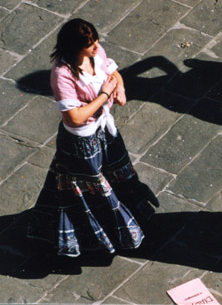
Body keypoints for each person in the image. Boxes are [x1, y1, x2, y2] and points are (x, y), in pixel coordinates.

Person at [27, 18, 159, 257]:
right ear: (74, 47)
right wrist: (104, 95)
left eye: (96, 40)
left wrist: (120, 89)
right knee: (92, 187)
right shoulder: (62, 74)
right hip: (82, 140)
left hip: (104, 130)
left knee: (115, 171)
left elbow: (112, 72)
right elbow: (74, 118)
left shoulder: (96, 54)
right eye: (89, 44)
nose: (96, 46)